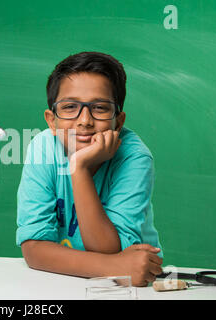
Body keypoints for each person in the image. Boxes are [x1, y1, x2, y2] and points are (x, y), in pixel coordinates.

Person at [16, 51, 163, 287]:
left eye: (100, 108)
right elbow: (33, 248)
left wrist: (79, 168)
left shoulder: (134, 157)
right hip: (61, 281)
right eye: (70, 106)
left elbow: (108, 249)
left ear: (119, 120)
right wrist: (116, 267)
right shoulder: (43, 147)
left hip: (129, 289)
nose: (84, 120)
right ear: (51, 121)